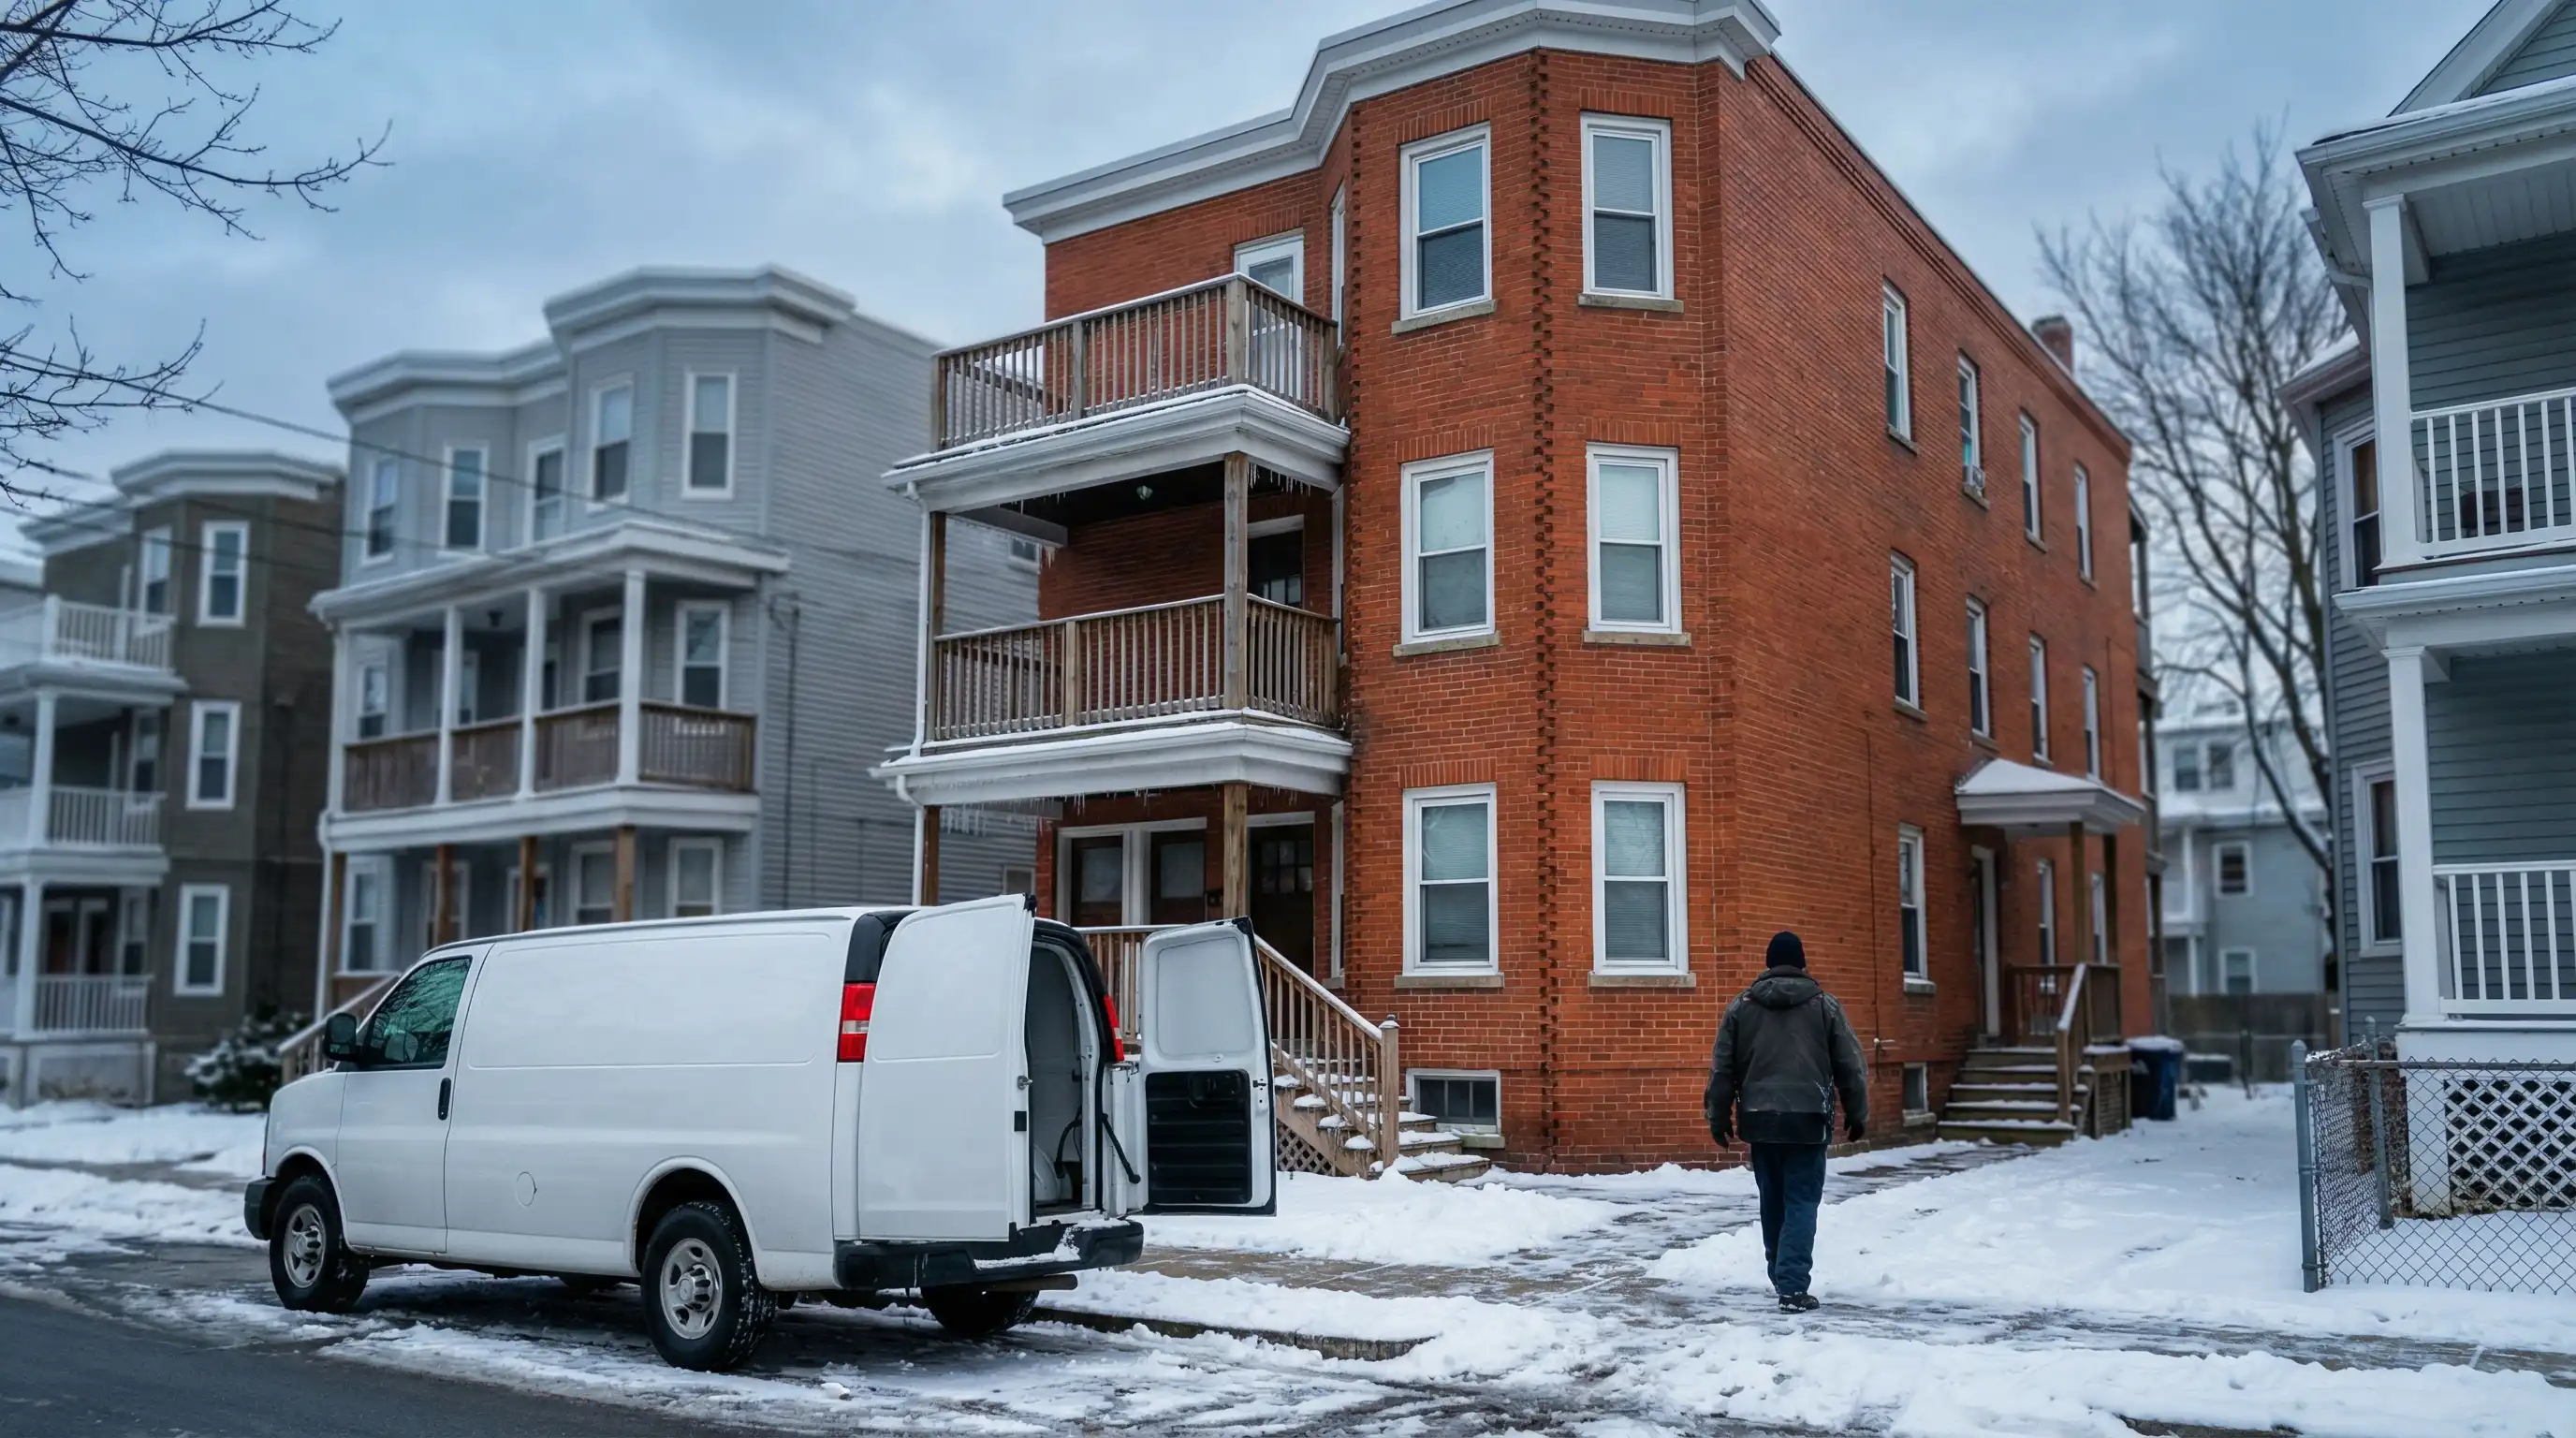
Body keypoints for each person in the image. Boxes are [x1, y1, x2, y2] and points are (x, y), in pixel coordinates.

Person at [1703, 931, 1868, 1312]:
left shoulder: (1741, 1007)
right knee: (1801, 1201)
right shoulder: (1825, 1006)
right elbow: (1851, 1066)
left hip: (1760, 1120)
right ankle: (1792, 1287)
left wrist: (1717, 1116)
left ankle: (1781, 1277)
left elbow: (1722, 1068)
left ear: (1768, 963)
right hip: (1807, 1120)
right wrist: (1857, 1113)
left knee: (1772, 1200)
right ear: (1802, 963)